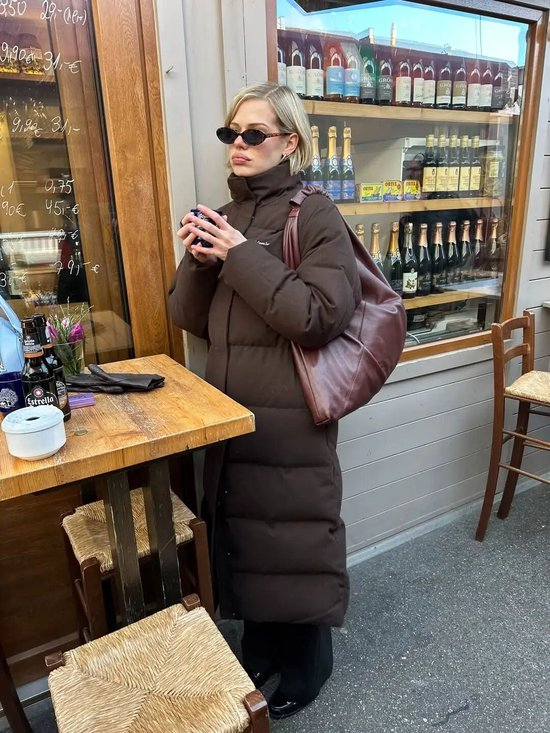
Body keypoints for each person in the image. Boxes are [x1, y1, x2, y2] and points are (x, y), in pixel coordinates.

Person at [168, 81, 360, 720]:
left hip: (291, 413)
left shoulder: (317, 214)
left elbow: (319, 316)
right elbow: (189, 319)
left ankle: (307, 662)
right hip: (233, 407)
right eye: (232, 133)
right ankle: (261, 649)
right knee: (246, 536)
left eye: (254, 134)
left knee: (293, 536)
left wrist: (241, 255)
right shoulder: (230, 213)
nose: (239, 145)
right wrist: (200, 261)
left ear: (290, 142)